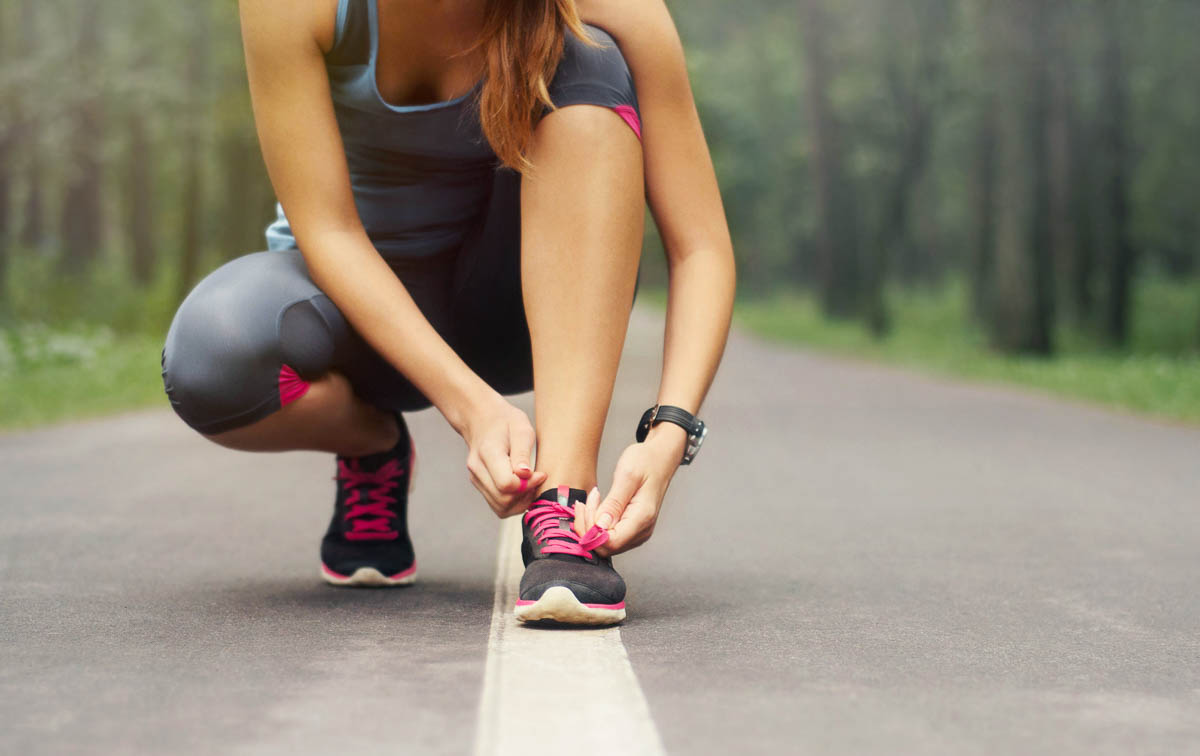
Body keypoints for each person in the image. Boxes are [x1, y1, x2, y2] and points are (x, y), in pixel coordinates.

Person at [160, 0, 735, 626]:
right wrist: (473, 409)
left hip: (515, 317)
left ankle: (564, 505)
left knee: (588, 56)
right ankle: (373, 444)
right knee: (211, 359)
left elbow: (701, 247)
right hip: (363, 322)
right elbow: (326, 232)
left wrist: (668, 435)